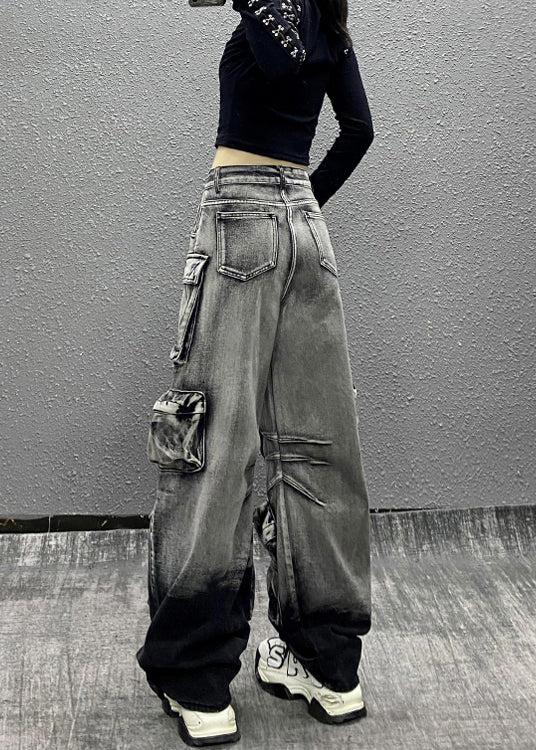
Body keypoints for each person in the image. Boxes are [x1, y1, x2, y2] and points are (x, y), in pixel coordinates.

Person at [136, 0, 375, 744]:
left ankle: (197, 679)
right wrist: (301, 208)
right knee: (317, 449)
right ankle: (328, 667)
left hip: (240, 217)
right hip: (306, 229)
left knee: (213, 445)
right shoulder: (330, 26)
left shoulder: (279, 21)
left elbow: (279, 61)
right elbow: (359, 131)